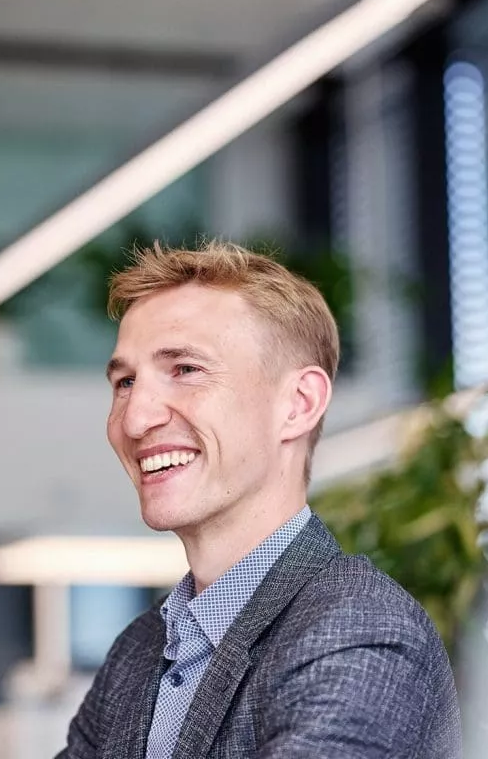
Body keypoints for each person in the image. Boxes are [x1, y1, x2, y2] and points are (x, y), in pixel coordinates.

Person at [57, 241, 462, 758]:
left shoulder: (359, 629)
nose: (135, 420)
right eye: (125, 381)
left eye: (185, 370)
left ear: (298, 404)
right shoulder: (137, 652)